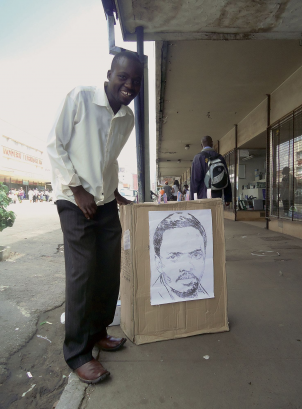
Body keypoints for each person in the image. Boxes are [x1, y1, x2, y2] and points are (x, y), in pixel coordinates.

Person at [47, 51, 143, 384]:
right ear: (109, 74)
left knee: (107, 270)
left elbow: (109, 160)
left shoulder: (127, 118)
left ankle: (98, 331)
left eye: (136, 80)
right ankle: (76, 352)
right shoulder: (80, 98)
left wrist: (113, 192)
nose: (129, 85)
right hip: (74, 201)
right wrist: (76, 189)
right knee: (82, 273)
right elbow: (54, 145)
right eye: (123, 77)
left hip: (103, 202)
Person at [151, 212, 209, 303]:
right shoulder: (152, 298)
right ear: (159, 263)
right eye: (174, 257)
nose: (187, 267)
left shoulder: (209, 295)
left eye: (195, 255)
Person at [190, 135, 232, 205]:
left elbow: (195, 180)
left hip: (202, 197)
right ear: (212, 144)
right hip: (217, 197)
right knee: (216, 215)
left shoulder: (198, 158)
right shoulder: (220, 157)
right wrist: (227, 198)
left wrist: (192, 199)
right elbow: (226, 178)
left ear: (201, 145)